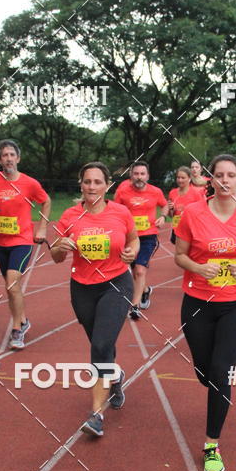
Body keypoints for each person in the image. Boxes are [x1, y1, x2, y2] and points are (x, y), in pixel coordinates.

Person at [174, 154, 236, 471]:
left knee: (220, 373)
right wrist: (200, 267)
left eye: (232, 175)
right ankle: (211, 377)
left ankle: (211, 445)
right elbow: (179, 255)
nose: (227, 180)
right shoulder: (192, 213)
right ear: (211, 180)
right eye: (220, 175)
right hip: (197, 304)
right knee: (205, 373)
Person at [51, 162, 139, 437]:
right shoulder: (69, 216)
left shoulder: (121, 213)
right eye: (87, 182)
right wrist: (59, 247)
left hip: (116, 283)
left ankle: (96, 415)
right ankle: (115, 377)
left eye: (97, 182)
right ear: (81, 184)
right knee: (100, 344)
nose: (92, 187)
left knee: (101, 345)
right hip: (82, 288)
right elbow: (56, 256)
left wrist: (132, 253)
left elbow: (134, 240)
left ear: (107, 185)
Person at [0, 139, 50, 350]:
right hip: (0, 240)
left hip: (22, 240)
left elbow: (46, 201)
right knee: (11, 288)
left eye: (12, 155)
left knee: (11, 282)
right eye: (4, 155)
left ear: (18, 158)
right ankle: (24, 320)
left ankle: (17, 329)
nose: (8, 159)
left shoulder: (29, 183)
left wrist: (43, 228)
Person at [114, 161, 168, 319]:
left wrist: (163, 216)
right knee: (135, 272)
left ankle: (134, 306)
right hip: (129, 238)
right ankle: (145, 291)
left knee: (139, 270)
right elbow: (114, 211)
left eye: (142, 174)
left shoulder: (155, 192)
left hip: (148, 237)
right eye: (136, 174)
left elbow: (165, 205)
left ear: (148, 176)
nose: (139, 177)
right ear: (131, 175)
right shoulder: (122, 191)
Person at [167, 166, 205, 244]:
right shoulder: (172, 193)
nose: (180, 180)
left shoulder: (196, 194)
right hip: (177, 228)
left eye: (183, 178)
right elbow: (171, 215)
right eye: (178, 177)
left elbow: (202, 213)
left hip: (191, 229)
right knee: (179, 253)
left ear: (189, 178)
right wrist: (171, 209)